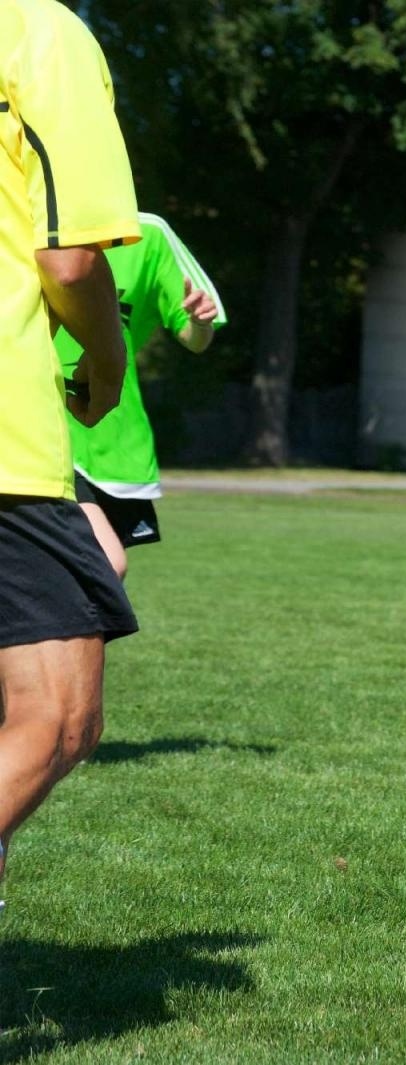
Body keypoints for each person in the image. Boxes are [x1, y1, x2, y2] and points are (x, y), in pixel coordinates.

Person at [0, 0, 143, 913]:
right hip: (7, 440)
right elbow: (71, 263)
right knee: (56, 720)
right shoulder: (37, 29)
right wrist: (107, 358)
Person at [54, 212, 225, 580]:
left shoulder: (147, 233)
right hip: (40, 430)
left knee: (95, 585)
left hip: (113, 444)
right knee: (102, 569)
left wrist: (199, 321)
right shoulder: (23, 218)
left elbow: (194, 339)